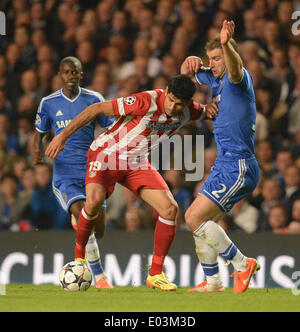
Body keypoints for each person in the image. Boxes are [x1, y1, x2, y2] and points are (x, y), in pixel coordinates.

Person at [45, 74, 218, 291]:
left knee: (170, 209)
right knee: (94, 202)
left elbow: (206, 110)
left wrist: (212, 107)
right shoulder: (145, 101)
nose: (173, 107)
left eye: (179, 104)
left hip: (136, 164)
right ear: (166, 90)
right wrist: (62, 137)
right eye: (171, 99)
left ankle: (155, 274)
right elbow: (95, 109)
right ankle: (79, 259)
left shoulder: (189, 110)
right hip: (106, 155)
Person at [181, 20, 261, 293]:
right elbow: (187, 76)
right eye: (210, 59)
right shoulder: (215, 78)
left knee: (194, 218)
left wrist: (226, 44)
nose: (213, 63)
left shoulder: (239, 80)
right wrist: (189, 63)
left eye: (217, 58)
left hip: (238, 164)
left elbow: (235, 67)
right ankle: (213, 280)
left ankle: (242, 264)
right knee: (198, 218)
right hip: (224, 163)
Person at [32, 56, 114, 289]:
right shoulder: (48, 103)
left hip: (92, 172)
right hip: (64, 175)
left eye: (74, 72)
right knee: (84, 216)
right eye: (66, 72)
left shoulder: (94, 99)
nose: (70, 77)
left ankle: (79, 220)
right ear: (60, 75)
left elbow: (111, 127)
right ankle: (100, 277)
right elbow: (39, 132)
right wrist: (36, 153)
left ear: (81, 74)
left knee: (99, 229)